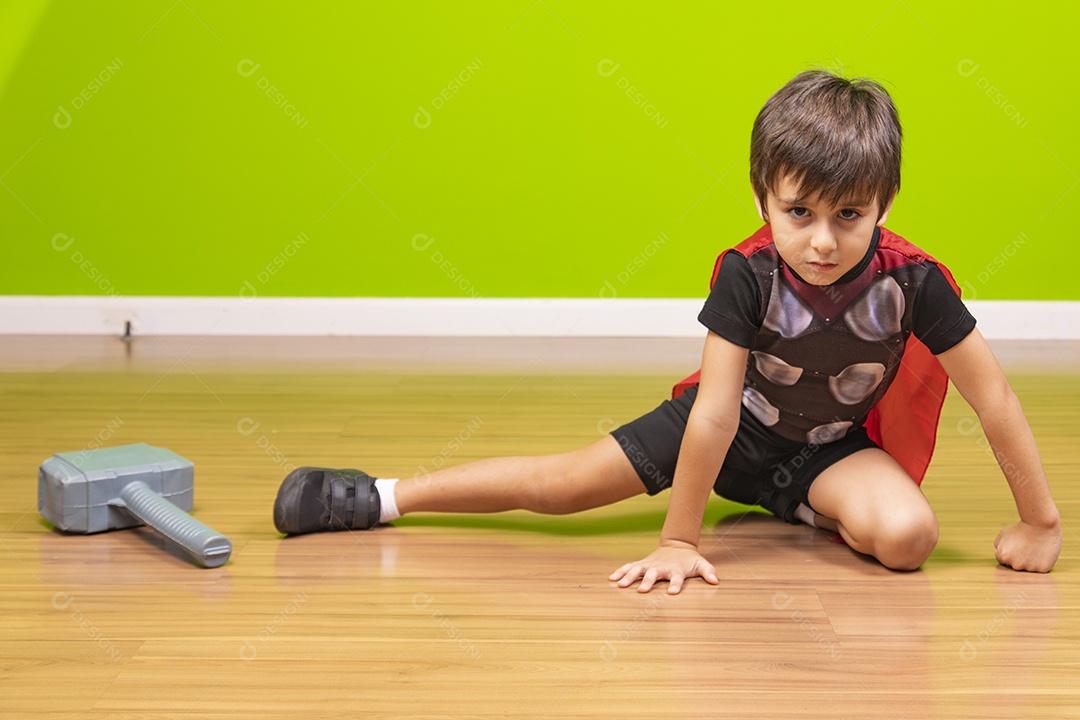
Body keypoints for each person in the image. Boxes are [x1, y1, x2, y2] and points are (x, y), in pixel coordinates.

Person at [272, 70, 1062, 593]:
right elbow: (716, 412)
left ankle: (795, 506)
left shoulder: (911, 283)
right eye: (800, 213)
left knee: (908, 541)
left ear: (884, 204)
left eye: (848, 216)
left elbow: (992, 399)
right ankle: (381, 496)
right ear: (764, 198)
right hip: (726, 430)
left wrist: (1040, 522)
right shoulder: (747, 276)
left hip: (822, 450)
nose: (823, 241)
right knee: (559, 488)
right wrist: (680, 541)